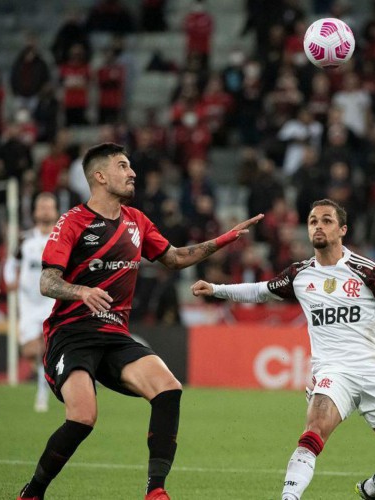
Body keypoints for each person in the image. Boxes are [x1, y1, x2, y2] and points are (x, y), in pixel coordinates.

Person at [17, 143, 263, 500]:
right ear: (100, 177)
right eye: (123, 166)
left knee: (168, 388)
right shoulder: (72, 222)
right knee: (83, 418)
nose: (132, 173)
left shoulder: (137, 221)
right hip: (71, 334)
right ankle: (33, 493)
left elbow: (175, 258)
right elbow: (47, 282)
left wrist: (224, 239)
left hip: (114, 335)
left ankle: (156, 491)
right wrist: (81, 292)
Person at [191, 199, 375, 500]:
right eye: (312, 221)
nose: (318, 226)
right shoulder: (300, 274)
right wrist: (216, 290)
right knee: (313, 431)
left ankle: (370, 490)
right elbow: (262, 290)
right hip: (333, 373)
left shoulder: (367, 271)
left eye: (326, 221)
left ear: (342, 230)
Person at [3, 193, 60, 412]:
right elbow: (11, 264)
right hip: (27, 303)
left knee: (44, 347)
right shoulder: (24, 239)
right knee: (29, 352)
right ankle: (45, 381)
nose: (45, 210)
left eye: (49, 206)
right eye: (42, 207)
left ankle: (42, 393)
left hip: (51, 302)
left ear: (56, 212)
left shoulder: (61, 238)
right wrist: (11, 281)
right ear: (35, 212)